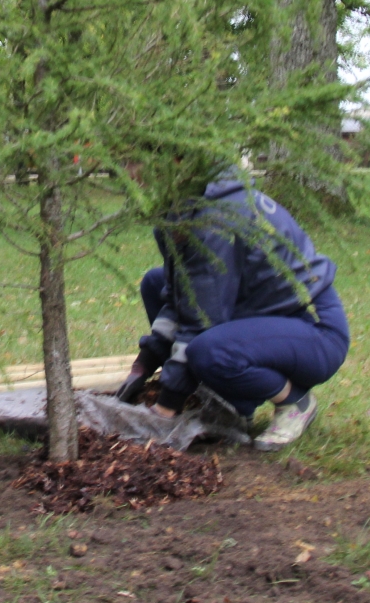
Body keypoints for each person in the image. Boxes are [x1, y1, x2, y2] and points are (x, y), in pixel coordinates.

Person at [115, 177, 348, 451]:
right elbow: (182, 295)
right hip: (261, 311)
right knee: (156, 283)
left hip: (312, 329)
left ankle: (294, 401)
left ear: (178, 162)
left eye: (137, 161)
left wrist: (165, 410)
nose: (129, 172)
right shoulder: (184, 207)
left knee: (210, 351)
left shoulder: (212, 222)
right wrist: (143, 366)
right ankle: (229, 398)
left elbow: (198, 320)